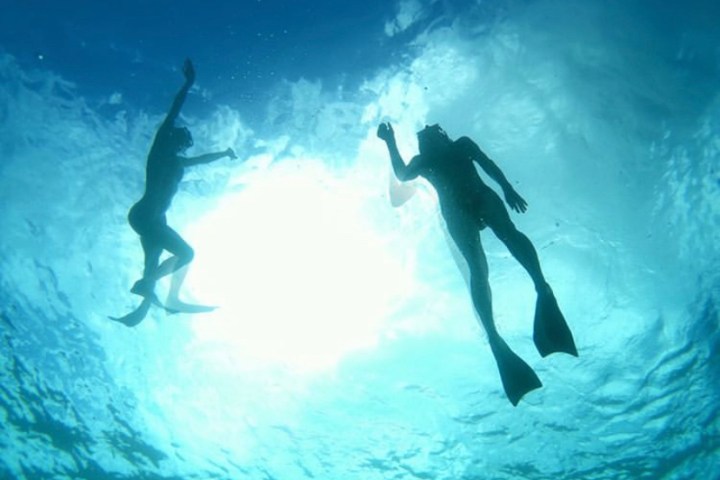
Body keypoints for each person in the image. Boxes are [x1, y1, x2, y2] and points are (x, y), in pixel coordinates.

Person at [377, 122, 577, 406]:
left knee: (507, 238)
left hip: (478, 198)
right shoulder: (430, 158)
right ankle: (496, 332)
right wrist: (389, 141)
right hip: (458, 209)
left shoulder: (460, 146)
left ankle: (540, 287)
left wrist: (507, 187)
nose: (427, 138)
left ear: (442, 135)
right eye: (424, 138)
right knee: (479, 267)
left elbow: (488, 164)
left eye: (431, 134)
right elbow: (402, 174)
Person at [111, 59, 237, 327]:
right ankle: (154, 290)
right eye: (181, 136)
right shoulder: (160, 150)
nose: (183, 141)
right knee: (186, 254)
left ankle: (156, 301)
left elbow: (202, 159)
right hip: (145, 214)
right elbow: (174, 111)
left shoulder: (179, 162)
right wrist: (188, 83)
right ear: (172, 137)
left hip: (155, 219)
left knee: (154, 261)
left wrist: (224, 154)